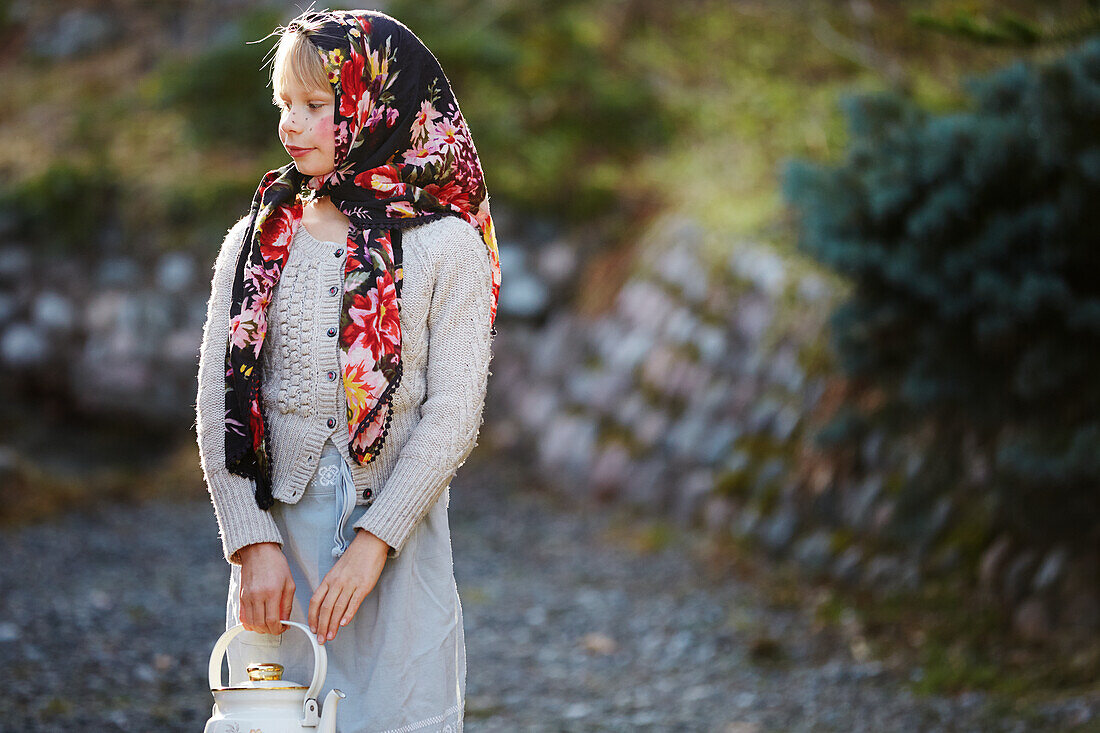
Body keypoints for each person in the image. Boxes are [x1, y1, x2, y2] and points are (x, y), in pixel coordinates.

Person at [194, 8, 500, 732]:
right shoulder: (255, 239)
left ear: (371, 105)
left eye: (314, 106)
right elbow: (218, 407)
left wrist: (373, 542)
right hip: (281, 559)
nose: (290, 126)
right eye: (283, 106)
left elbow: (454, 414)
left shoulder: (445, 245)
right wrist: (251, 542)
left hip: (399, 549)